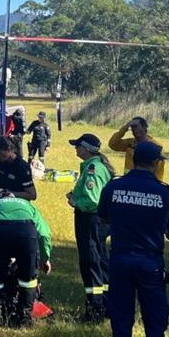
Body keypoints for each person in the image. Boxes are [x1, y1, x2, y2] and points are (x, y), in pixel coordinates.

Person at [98, 141, 169, 337]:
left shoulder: (114, 187)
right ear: (157, 163)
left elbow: (103, 218)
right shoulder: (165, 193)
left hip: (121, 261)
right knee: (155, 323)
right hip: (150, 264)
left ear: (132, 160)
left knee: (121, 321)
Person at [0, 171, 52, 327]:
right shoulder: (28, 205)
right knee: (28, 280)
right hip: (27, 234)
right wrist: (45, 259)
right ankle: (24, 320)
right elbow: (45, 234)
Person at [67, 133, 115, 322]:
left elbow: (92, 200)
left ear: (86, 149)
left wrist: (74, 201)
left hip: (90, 220)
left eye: (78, 146)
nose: (75, 149)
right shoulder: (96, 166)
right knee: (101, 261)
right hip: (99, 221)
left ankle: (95, 309)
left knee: (91, 262)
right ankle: (107, 305)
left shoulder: (93, 169)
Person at [108, 116, 164, 181]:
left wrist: (157, 184)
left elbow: (160, 168)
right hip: (129, 179)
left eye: (136, 126)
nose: (134, 130)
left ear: (144, 127)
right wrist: (125, 127)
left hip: (146, 181)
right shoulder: (130, 143)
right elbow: (113, 144)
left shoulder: (155, 145)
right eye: (132, 127)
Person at [0, 135, 36, 201]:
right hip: (4, 202)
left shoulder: (22, 167)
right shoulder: (2, 162)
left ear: (9, 149)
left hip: (19, 205)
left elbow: (32, 195)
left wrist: (12, 194)